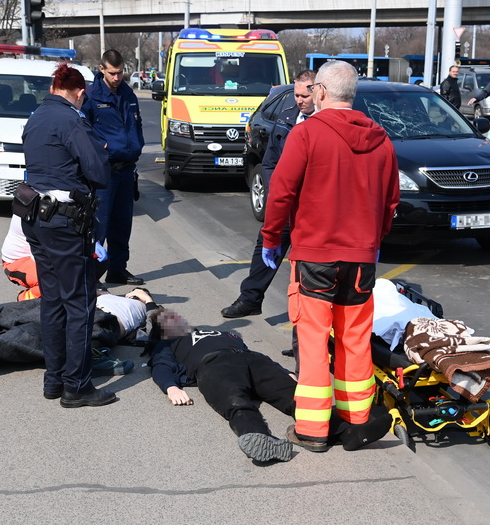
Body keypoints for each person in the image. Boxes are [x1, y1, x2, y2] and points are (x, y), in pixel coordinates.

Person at [260, 60, 400, 452]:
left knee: (313, 340)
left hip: (315, 257)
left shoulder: (307, 135)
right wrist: (371, 241)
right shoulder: (382, 140)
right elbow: (391, 203)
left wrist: (271, 238)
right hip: (361, 258)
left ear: (320, 91)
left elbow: (281, 193)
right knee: (355, 340)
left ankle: (312, 430)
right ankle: (356, 423)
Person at [147, 310, 393, 463]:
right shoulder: (168, 343)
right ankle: (259, 439)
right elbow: (160, 365)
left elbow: (252, 351)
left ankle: (345, 431)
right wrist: (171, 387)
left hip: (251, 359)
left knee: (293, 396)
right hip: (213, 365)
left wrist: (283, 370)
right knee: (235, 401)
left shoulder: (217, 332)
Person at [21, 61, 117, 408]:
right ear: (78, 93)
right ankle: (77, 386)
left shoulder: (36, 117)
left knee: (52, 300)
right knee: (79, 303)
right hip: (64, 223)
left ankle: (54, 379)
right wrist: (101, 154)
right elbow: (98, 172)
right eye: (82, 97)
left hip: (35, 218)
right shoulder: (71, 120)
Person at [221, 70, 317, 319]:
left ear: (318, 91)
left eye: (304, 95)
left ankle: (303, 328)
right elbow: (270, 161)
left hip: (312, 208)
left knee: (308, 269)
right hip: (285, 201)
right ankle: (250, 299)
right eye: (295, 95)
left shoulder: (326, 123)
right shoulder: (286, 118)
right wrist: (278, 190)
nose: (299, 100)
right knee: (266, 243)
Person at [83, 49, 146, 286]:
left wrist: (137, 146)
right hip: (104, 172)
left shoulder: (129, 94)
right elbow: (82, 130)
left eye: (120, 73)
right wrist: (101, 147)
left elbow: (135, 126)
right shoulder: (91, 97)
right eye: (112, 73)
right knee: (99, 226)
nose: (117, 77)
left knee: (122, 225)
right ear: (102, 69)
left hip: (127, 169)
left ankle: (118, 269)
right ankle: (92, 275)